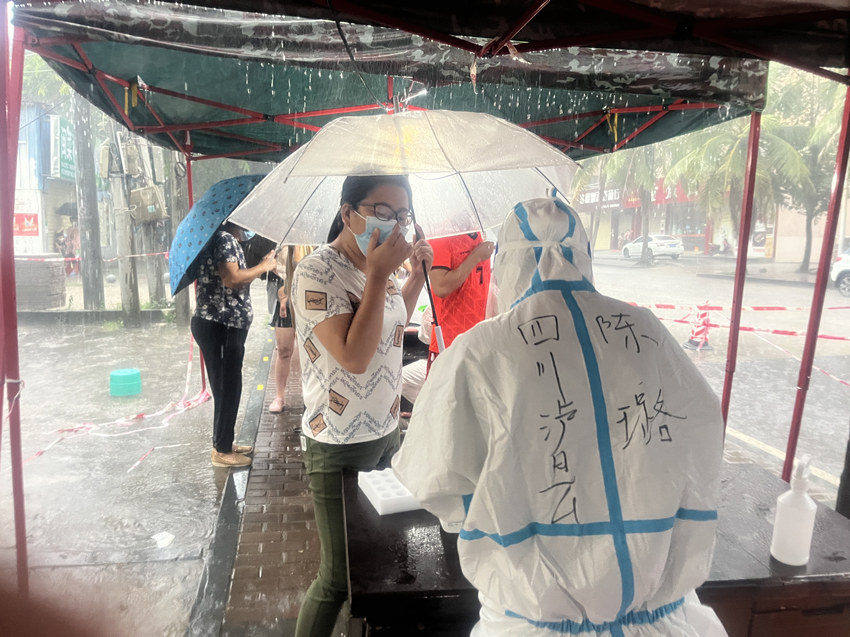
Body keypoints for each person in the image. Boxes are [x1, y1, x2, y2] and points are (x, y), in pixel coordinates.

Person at [394, 198, 727, 636]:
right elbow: (703, 436)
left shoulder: (479, 351)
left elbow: (431, 478)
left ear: (507, 265)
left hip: (532, 623)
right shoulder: (648, 331)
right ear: (584, 257)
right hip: (667, 623)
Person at [291, 175, 433, 637]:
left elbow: (389, 325)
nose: (394, 224)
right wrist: (377, 275)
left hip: (387, 432)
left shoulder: (382, 268)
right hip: (337, 442)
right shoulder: (316, 272)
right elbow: (354, 357)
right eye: (382, 211)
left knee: (382, 553)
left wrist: (414, 278)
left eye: (402, 214)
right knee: (338, 577)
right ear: (348, 212)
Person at [191, 220, 276, 468]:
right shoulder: (224, 239)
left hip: (223, 325)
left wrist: (261, 265)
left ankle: (225, 442)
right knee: (227, 388)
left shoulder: (224, 240)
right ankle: (222, 450)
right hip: (221, 325)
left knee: (228, 387)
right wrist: (263, 266)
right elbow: (232, 278)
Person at [427, 232, 494, 366]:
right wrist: (476, 256)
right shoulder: (440, 236)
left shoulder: (480, 234)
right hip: (449, 344)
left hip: (479, 340)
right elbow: (441, 287)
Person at [267, 244, 313, 413]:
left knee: (311, 350)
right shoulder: (279, 242)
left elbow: (302, 264)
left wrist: (298, 248)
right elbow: (268, 265)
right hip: (283, 294)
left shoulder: (314, 242)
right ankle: (279, 396)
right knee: (284, 350)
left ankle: (310, 396)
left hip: (308, 293)